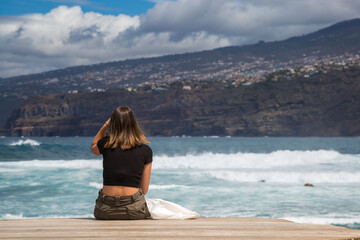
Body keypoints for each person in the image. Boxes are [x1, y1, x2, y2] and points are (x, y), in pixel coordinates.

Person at [90, 106, 152, 220]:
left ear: (113, 123)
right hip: (134, 210)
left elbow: (93, 146)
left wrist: (106, 125)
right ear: (134, 123)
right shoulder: (146, 150)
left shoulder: (105, 144)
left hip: (104, 210)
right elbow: (144, 190)